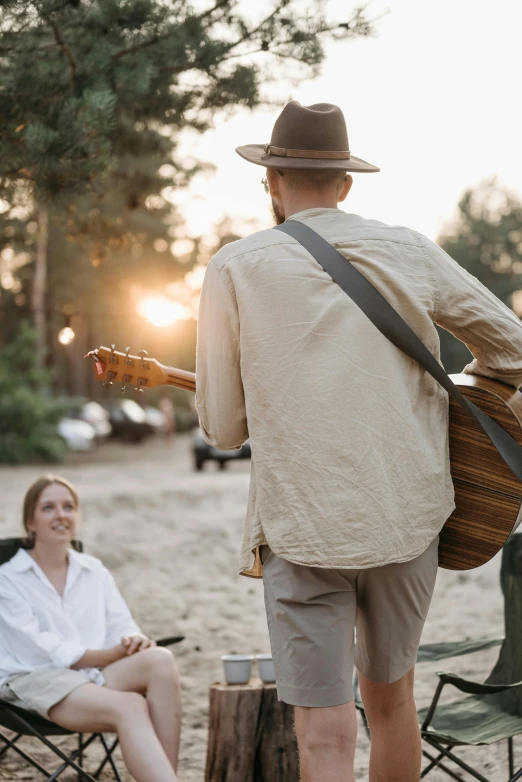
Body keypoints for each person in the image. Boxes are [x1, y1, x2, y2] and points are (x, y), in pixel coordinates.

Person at [195, 101, 522, 782]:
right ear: (345, 184)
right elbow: (513, 351)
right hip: (409, 515)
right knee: (391, 698)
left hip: (303, 526)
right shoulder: (407, 249)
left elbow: (223, 428)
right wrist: (465, 398)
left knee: (322, 726)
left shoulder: (234, 267)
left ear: (272, 184)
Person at [0, 475, 182, 782]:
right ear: (30, 521)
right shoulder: (8, 577)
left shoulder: (93, 569)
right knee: (130, 706)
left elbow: (120, 623)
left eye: (68, 507)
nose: (61, 515)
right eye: (48, 508)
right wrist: (109, 654)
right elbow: (38, 648)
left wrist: (133, 641)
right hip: (34, 679)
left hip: (89, 676)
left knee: (160, 659)